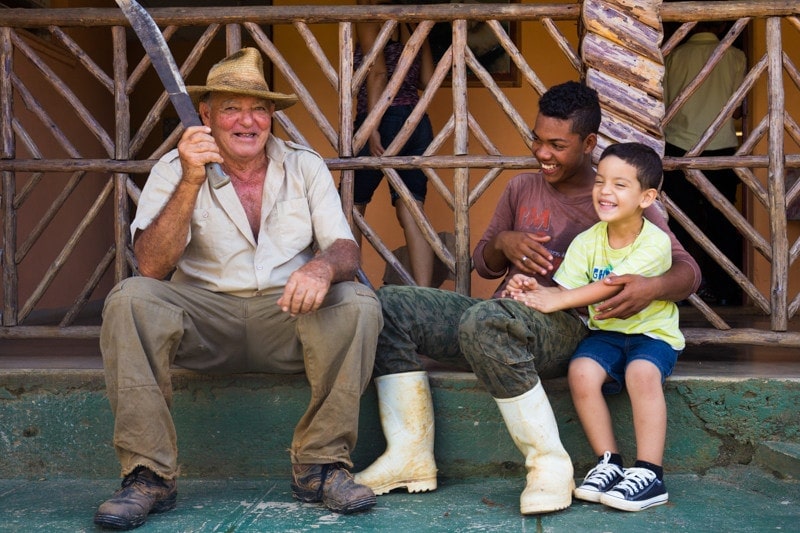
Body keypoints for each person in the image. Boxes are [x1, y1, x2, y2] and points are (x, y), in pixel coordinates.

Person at [354, 81, 700, 515]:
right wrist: (505, 241)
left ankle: (549, 467)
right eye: (536, 139)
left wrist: (650, 288)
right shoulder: (521, 188)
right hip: (504, 316)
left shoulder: (617, 196)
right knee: (392, 304)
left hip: (568, 325)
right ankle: (409, 454)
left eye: (557, 144)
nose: (542, 152)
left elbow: (688, 271)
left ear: (589, 143)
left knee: (487, 321)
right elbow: (484, 263)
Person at [94, 48, 383, 530]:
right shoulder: (174, 168)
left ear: (272, 116)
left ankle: (320, 466)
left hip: (285, 318)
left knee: (356, 302)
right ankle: (148, 475)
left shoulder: (303, 165)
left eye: (259, 109)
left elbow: (344, 248)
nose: (247, 121)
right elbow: (150, 265)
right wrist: (190, 177)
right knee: (129, 300)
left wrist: (320, 268)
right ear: (205, 116)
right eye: (231, 108)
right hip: (204, 324)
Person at [505, 142, 682, 512]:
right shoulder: (587, 241)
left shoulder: (656, 242)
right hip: (606, 334)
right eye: (600, 181)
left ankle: (650, 474)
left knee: (641, 373)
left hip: (652, 335)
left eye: (620, 184)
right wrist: (535, 290)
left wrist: (553, 300)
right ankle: (610, 463)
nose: (605, 191)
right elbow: (566, 290)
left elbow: (612, 285)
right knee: (581, 371)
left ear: (646, 197)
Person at [352, 0, 437, 287]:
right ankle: (425, 294)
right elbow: (426, 78)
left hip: (381, 119)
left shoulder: (369, 20)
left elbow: (378, 73)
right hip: (416, 123)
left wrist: (372, 126)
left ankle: (349, 286)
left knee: (351, 204)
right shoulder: (412, 24)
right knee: (411, 209)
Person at [663, 21, 746, 306]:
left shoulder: (672, 56)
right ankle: (727, 290)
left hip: (678, 147)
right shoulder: (736, 56)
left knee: (680, 221)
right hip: (721, 147)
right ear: (724, 22)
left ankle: (683, 289)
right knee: (723, 220)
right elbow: (736, 107)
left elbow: (663, 102)